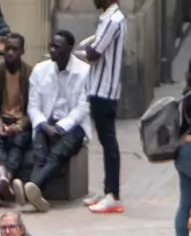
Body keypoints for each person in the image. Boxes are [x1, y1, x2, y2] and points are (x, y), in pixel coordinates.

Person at [17, 30, 90, 211]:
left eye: (57, 47)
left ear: (69, 48)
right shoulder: (40, 70)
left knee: (58, 153)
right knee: (39, 153)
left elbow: (82, 108)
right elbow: (33, 106)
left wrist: (61, 127)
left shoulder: (85, 72)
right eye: (51, 45)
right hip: (45, 122)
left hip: (74, 125)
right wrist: (44, 125)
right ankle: (35, 193)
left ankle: (32, 188)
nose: (52, 50)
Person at [73, 0, 126, 212]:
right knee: (106, 143)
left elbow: (94, 52)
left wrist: (88, 49)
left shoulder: (114, 20)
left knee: (109, 142)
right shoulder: (107, 18)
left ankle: (113, 194)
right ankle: (107, 190)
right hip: (98, 88)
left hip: (105, 90)